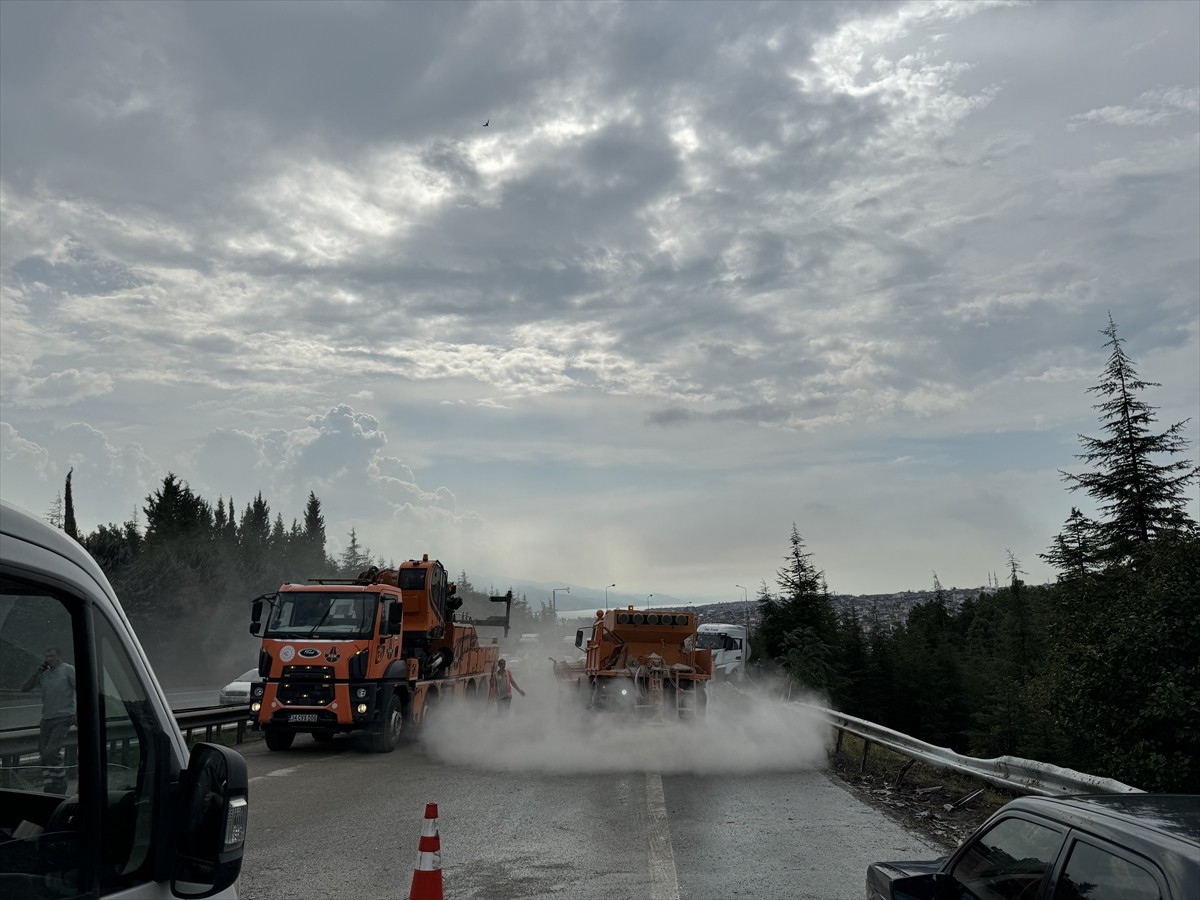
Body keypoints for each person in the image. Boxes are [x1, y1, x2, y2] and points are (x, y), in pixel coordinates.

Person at [21, 647, 77, 794]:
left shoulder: (68, 670)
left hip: (64, 716)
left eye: (52, 656)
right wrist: (37, 673)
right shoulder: (44, 674)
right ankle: (49, 785)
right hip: (47, 718)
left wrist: (77, 713)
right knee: (43, 753)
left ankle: (60, 785)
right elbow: (25, 688)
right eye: (47, 657)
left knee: (52, 752)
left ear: (59, 656)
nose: (49, 659)